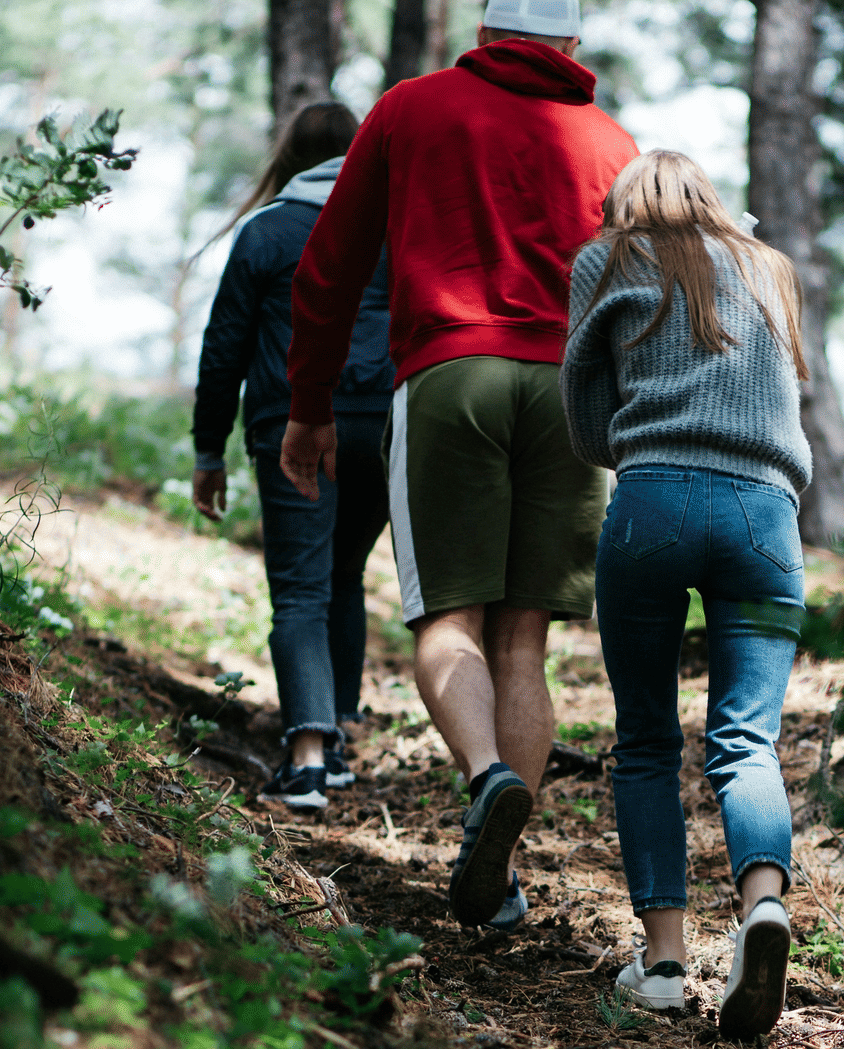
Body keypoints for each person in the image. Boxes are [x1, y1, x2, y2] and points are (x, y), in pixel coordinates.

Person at [278, 0, 639, 931]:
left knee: (449, 620)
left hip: (449, 375)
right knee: (524, 638)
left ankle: (488, 780)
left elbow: (330, 265)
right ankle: (503, 872)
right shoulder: (613, 142)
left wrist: (310, 406)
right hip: (569, 390)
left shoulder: (410, 108)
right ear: (570, 42)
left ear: (486, 31)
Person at [560, 150, 811, 1038]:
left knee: (646, 743)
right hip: (767, 517)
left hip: (654, 499)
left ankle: (664, 965)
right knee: (748, 739)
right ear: (712, 198)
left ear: (625, 203)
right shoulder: (768, 265)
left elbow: (586, 419)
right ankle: (763, 910)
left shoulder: (608, 259)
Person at [191, 101, 395, 814]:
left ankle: (307, 759)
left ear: (288, 157)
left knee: (303, 587)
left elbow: (224, 351)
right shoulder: (391, 227)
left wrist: (207, 449)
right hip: (384, 424)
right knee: (344, 573)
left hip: (295, 425)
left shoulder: (267, 231)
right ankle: (336, 738)